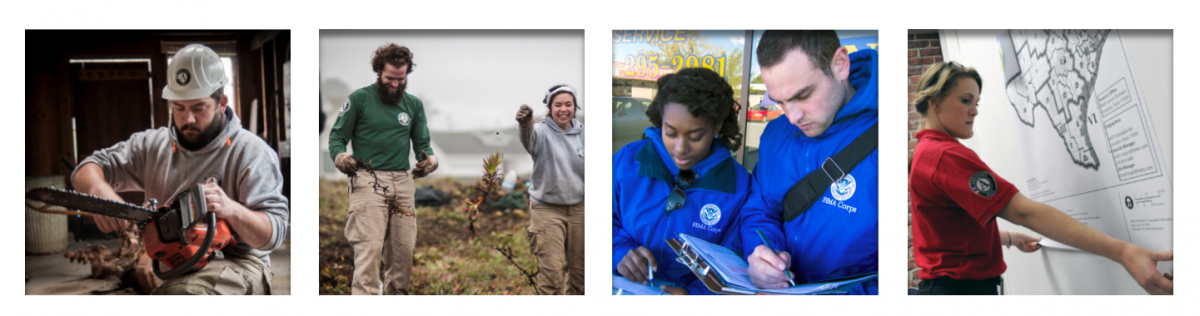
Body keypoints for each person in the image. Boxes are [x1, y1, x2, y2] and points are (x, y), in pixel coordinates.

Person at [908, 61, 1174, 295]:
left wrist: (1010, 238)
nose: (975, 111)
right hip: (961, 292)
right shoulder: (945, 156)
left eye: (976, 102)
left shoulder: (926, 152)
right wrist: (1124, 253)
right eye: (965, 100)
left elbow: (950, 230)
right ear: (935, 102)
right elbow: (1024, 212)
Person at [72, 44, 289, 295]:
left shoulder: (252, 153)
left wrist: (232, 209)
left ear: (222, 103)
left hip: (237, 264)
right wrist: (100, 190)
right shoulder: (151, 145)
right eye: (179, 108)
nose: (188, 119)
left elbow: (274, 235)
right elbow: (84, 170)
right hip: (172, 261)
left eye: (198, 107)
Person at [741, 30, 879, 294]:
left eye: (802, 95)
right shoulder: (775, 134)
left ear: (840, 65)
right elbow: (761, 209)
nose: (792, 117)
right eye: (780, 101)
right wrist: (761, 251)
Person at [612, 68, 751, 295]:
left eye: (695, 136)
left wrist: (695, 296)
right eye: (670, 133)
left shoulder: (739, 185)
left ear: (717, 126)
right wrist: (617, 251)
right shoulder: (626, 161)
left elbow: (735, 261)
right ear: (661, 122)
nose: (680, 149)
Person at [328, 43, 439, 295]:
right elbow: (336, 137)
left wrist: (431, 160)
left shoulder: (414, 105)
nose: (395, 84)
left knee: (403, 252)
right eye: (390, 78)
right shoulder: (359, 99)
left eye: (401, 79)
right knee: (369, 249)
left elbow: (423, 144)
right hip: (368, 179)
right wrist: (341, 156)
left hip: (402, 181)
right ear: (378, 71)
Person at [515, 84, 586, 295]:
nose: (563, 109)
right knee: (552, 277)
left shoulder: (584, 134)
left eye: (568, 104)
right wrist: (526, 123)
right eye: (558, 105)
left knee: (582, 279)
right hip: (547, 210)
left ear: (575, 106)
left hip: (580, 210)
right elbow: (528, 138)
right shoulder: (540, 131)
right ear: (549, 107)